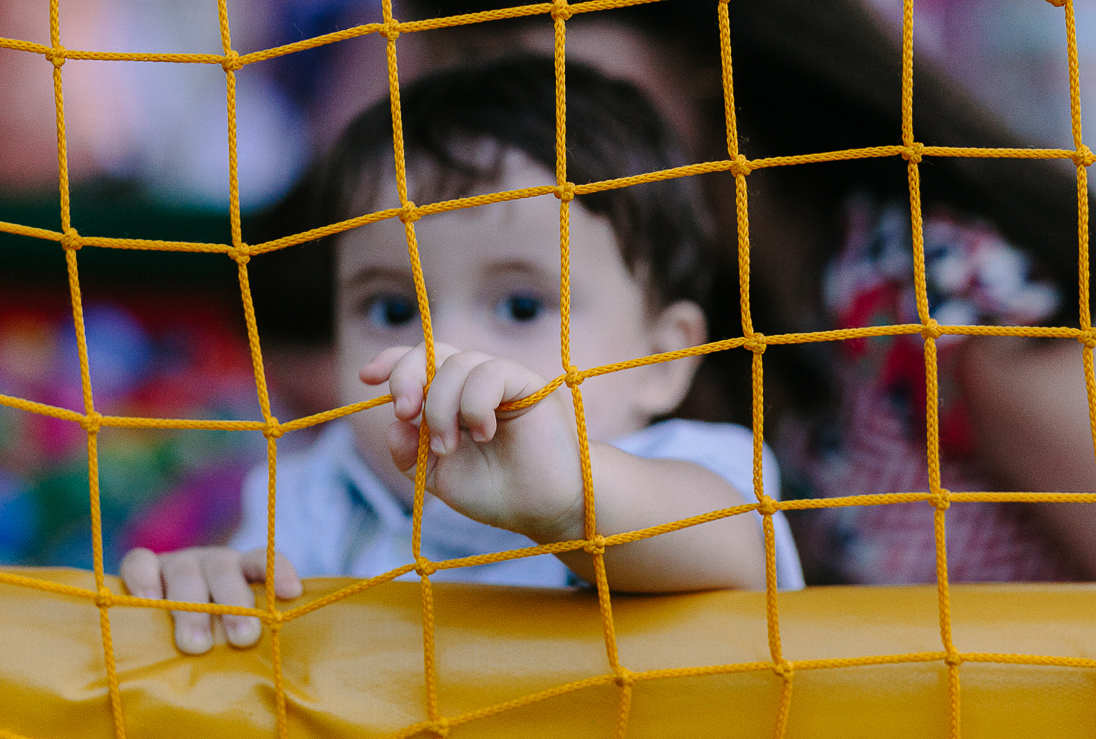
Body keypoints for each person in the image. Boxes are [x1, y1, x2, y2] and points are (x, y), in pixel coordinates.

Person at [119, 56, 805, 654]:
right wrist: (212, 592)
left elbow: (744, 559)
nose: (440, 351)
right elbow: (247, 638)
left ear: (660, 361)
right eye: (391, 309)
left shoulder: (693, 474)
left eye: (521, 306)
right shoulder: (320, 498)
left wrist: (574, 501)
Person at [398, 0, 1095, 584]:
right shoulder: (691, 301)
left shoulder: (946, 284)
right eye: (456, 77)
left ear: (702, 48)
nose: (492, 126)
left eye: (528, 72)